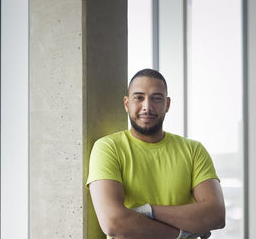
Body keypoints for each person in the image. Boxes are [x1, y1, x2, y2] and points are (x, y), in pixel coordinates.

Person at [86, 69, 225, 239]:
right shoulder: (108, 148)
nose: (147, 107)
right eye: (139, 97)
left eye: (156, 98)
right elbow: (114, 223)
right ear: (126, 103)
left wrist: (148, 211)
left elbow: (215, 215)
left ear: (167, 104)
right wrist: (181, 234)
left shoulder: (193, 150)